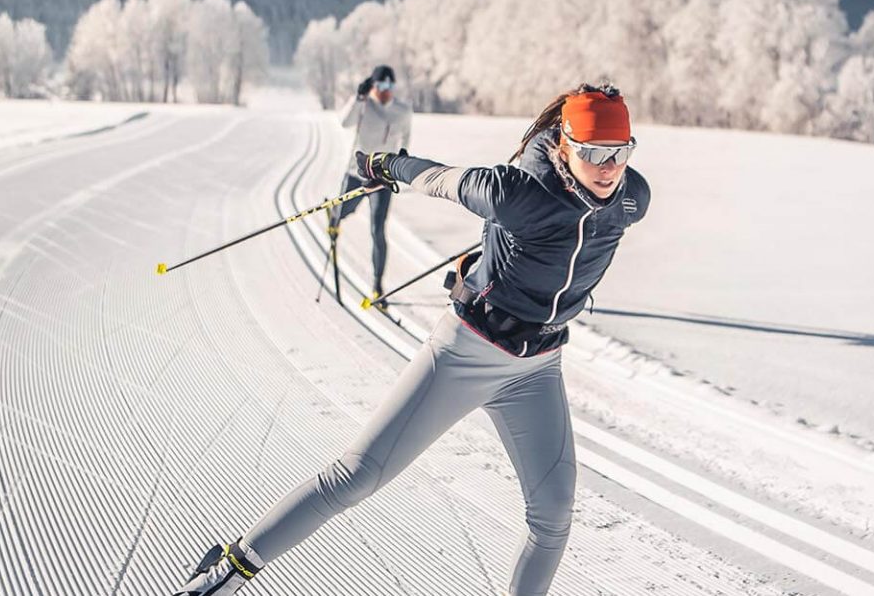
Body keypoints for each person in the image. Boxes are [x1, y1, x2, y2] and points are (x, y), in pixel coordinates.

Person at [175, 84, 650, 596]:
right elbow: (441, 179)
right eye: (593, 153)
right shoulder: (516, 193)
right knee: (358, 475)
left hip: (537, 369)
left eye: (619, 153)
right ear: (563, 146)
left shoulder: (631, 197)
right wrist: (384, 165)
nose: (607, 167)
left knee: (554, 513)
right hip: (466, 353)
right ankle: (227, 570)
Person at [334, 64, 412, 300]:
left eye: (389, 86)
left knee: (377, 229)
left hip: (382, 178)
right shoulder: (364, 106)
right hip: (357, 173)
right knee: (344, 210)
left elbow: (406, 137)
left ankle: (378, 285)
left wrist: (403, 156)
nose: (385, 91)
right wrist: (357, 98)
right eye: (380, 86)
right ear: (373, 86)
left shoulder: (402, 110)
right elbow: (344, 122)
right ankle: (334, 218)